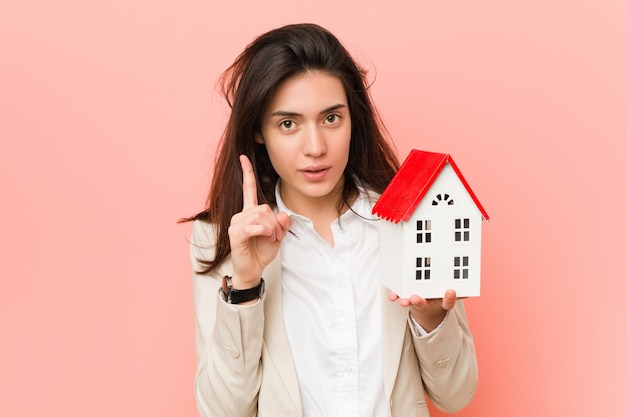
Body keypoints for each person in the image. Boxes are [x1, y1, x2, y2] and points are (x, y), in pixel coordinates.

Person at [185, 23, 478, 417]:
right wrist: (245, 286)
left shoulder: (411, 220)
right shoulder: (220, 240)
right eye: (288, 124)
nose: (315, 148)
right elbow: (222, 411)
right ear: (258, 131)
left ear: (353, 119)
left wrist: (431, 318)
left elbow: (456, 395)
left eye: (331, 119)